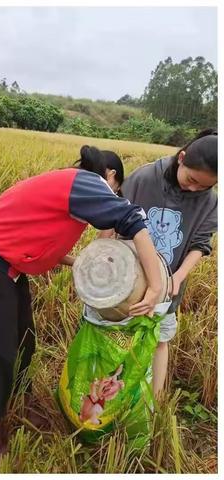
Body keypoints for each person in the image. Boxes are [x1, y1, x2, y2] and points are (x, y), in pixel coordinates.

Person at [0, 145, 163, 473]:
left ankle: (21, 402)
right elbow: (132, 218)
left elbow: (42, 240)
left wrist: (82, 263)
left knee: (25, 341)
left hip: (11, 268)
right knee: (1, 353)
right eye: (117, 189)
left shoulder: (74, 192)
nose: (113, 196)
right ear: (111, 176)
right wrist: (155, 286)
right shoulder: (88, 184)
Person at [102, 129, 217, 397]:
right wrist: (101, 259)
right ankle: (110, 395)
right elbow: (111, 217)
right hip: (127, 280)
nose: (194, 188)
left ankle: (152, 401)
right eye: (191, 180)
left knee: (160, 340)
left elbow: (200, 245)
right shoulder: (144, 178)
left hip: (167, 286)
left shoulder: (210, 202)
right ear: (182, 158)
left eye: (204, 186)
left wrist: (177, 278)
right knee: (117, 336)